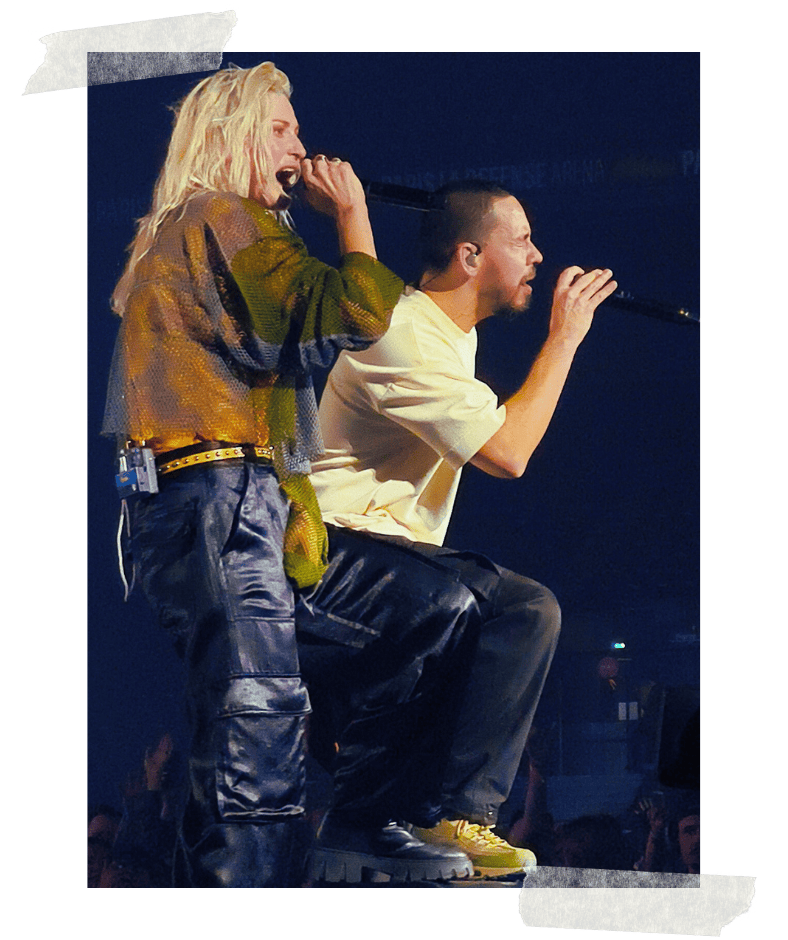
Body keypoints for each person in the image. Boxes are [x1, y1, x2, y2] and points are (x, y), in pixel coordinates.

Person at [102, 62, 474, 887]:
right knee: (256, 731)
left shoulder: (199, 232)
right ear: (231, 138)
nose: (300, 149)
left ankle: (366, 818)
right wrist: (353, 215)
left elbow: (287, 349)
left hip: (224, 508)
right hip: (217, 499)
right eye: (280, 130)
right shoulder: (222, 216)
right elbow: (354, 311)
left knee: (432, 609)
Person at [309, 179, 618, 875]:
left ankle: (441, 814)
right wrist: (564, 339)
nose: (538, 255)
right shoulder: (401, 331)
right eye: (523, 240)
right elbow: (508, 453)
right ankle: (427, 814)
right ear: (470, 255)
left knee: (510, 610)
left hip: (395, 561)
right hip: (332, 557)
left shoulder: (441, 333)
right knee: (504, 606)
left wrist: (354, 214)